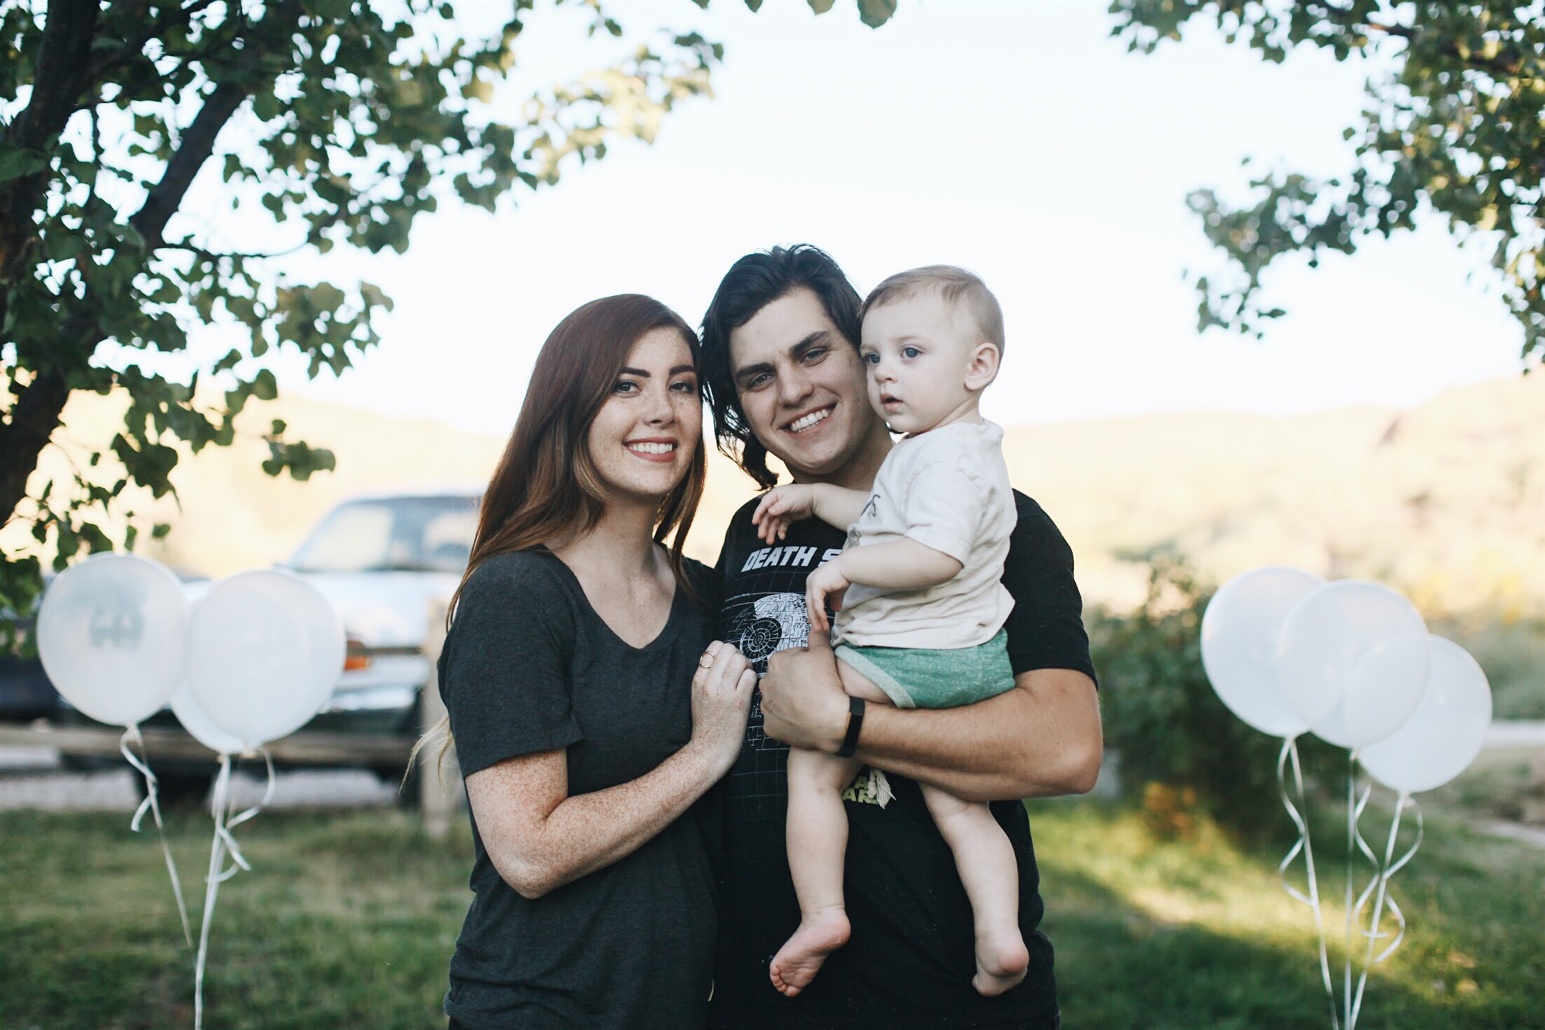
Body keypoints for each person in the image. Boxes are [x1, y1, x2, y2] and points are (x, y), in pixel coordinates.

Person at [699, 246, 1102, 1030]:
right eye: (757, 376)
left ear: (861, 354)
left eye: (812, 352)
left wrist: (843, 724)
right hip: (768, 998)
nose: (792, 390)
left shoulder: (995, 521)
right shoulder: (751, 532)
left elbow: (1066, 750)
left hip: (943, 1001)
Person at [431, 294, 756, 1030]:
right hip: (539, 1006)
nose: (662, 410)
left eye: (681, 385)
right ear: (567, 408)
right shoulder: (517, 596)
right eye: (624, 386)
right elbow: (529, 853)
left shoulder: (707, 595)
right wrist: (703, 755)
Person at [751, 265, 1029, 999]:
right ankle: (1000, 936)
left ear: (979, 366)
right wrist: (817, 497)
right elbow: (882, 516)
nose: (884, 374)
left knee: (813, 765)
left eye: (910, 353)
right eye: (873, 356)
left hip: (911, 654)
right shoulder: (948, 450)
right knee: (961, 807)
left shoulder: (945, 456)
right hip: (969, 661)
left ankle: (822, 913)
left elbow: (932, 552)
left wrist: (842, 569)